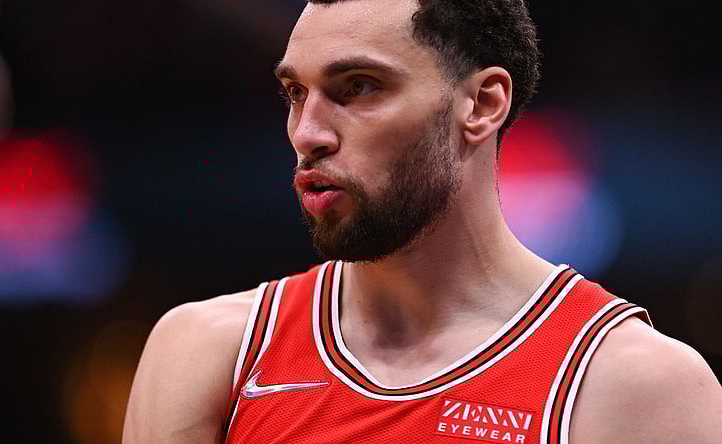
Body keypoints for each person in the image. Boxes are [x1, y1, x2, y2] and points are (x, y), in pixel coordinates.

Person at [123, 0, 722, 442]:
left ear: (482, 105)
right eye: (295, 94)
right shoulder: (208, 352)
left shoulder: (637, 387)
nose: (307, 135)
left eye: (358, 87)